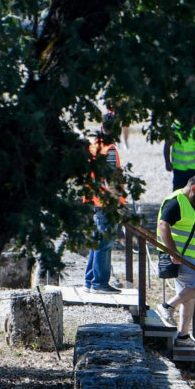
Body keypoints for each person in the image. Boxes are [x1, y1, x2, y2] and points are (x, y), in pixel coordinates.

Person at [156, 172, 195, 343]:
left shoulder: (192, 204)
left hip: (190, 258)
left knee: (189, 297)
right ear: (194, 188)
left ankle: (183, 336)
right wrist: (173, 252)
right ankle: (167, 307)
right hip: (181, 258)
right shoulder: (176, 201)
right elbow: (163, 224)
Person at [83, 124, 123, 292]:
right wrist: (118, 205)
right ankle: (99, 283)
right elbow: (111, 180)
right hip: (107, 203)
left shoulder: (94, 146)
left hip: (95, 200)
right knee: (104, 244)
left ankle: (90, 280)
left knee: (97, 242)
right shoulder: (110, 150)